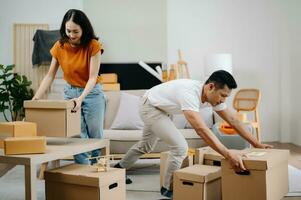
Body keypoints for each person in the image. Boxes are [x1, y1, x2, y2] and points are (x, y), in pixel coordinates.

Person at [114, 70, 272, 198]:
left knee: (146, 145)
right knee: (180, 148)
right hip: (150, 106)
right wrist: (228, 154)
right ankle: (167, 189)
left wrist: (257, 143)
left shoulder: (213, 97)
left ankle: (118, 169)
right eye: (222, 95)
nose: (223, 100)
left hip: (161, 107)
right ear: (210, 87)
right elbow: (202, 129)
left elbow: (234, 120)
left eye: (226, 96)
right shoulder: (189, 93)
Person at [32, 9, 105, 164]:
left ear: (84, 29)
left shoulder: (93, 45)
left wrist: (81, 98)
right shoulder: (59, 46)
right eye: (68, 31)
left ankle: (97, 168)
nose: (71, 35)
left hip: (91, 93)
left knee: (95, 133)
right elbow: (50, 75)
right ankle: (83, 171)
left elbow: (92, 77)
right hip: (70, 92)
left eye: (76, 31)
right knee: (76, 134)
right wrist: (36, 97)